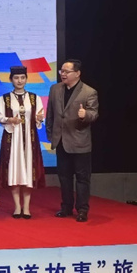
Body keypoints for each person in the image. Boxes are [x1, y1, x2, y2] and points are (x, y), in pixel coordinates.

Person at [46, 59, 99, 222]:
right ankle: (66, 207)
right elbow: (50, 114)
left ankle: (82, 210)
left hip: (79, 142)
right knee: (64, 177)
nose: (62, 74)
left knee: (82, 179)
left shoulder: (89, 92)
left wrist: (85, 115)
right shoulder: (55, 89)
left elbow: (94, 113)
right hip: (61, 140)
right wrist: (51, 135)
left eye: (66, 71)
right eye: (61, 71)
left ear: (77, 73)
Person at [0, 66, 46, 219]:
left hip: (30, 140)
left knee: (28, 170)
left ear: (26, 79)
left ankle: (27, 207)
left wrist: (39, 119)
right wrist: (10, 119)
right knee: (15, 171)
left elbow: (39, 117)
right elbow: (0, 117)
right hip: (13, 139)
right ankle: (17, 206)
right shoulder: (4, 98)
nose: (19, 81)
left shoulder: (34, 98)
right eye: (16, 78)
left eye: (22, 78)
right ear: (11, 79)